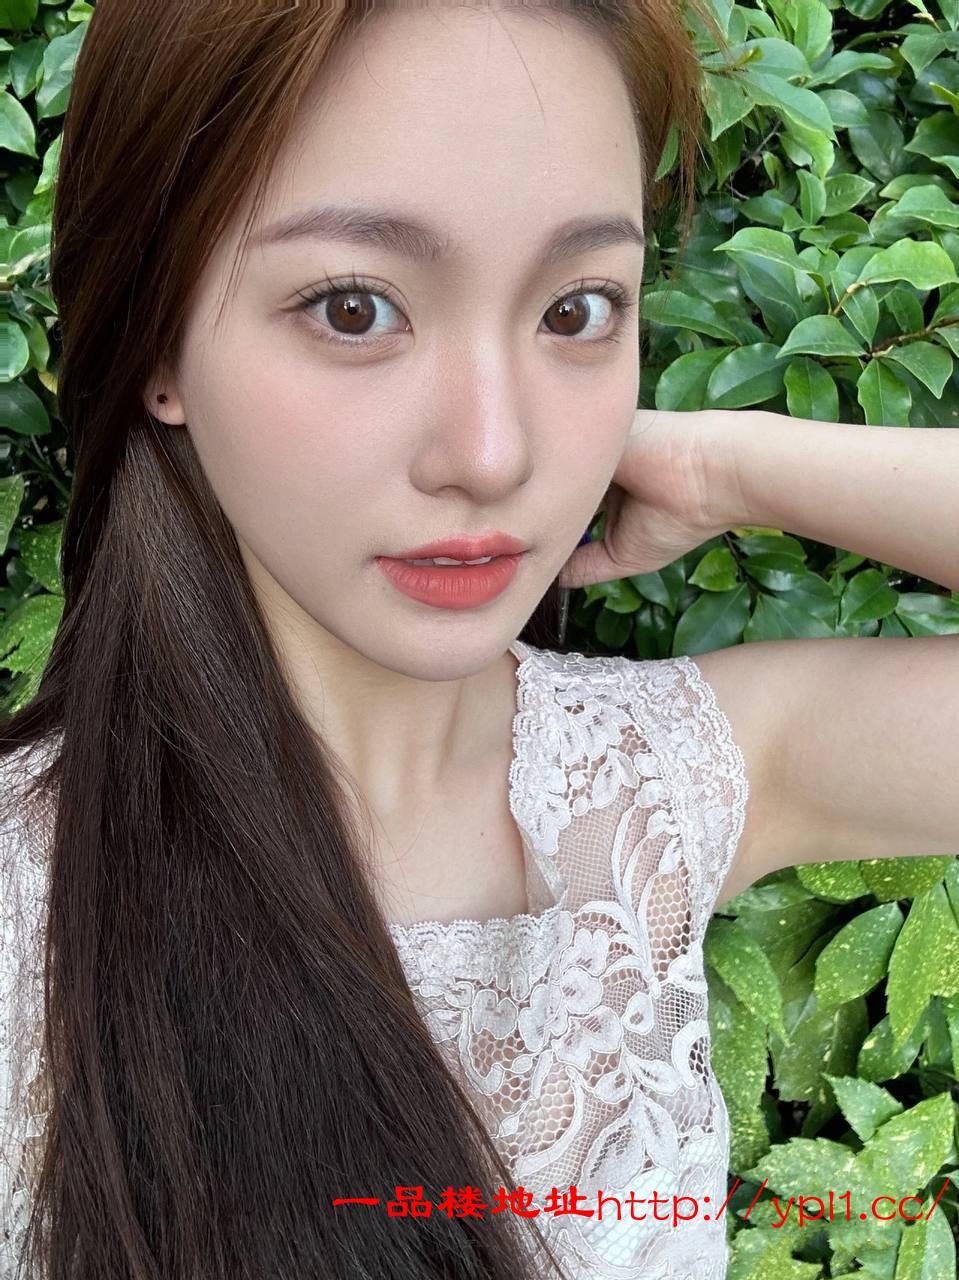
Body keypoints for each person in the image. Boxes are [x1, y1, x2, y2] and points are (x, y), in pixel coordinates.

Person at [2, 3, 957, 1279]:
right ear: (158, 341)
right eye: (354, 308)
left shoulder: (656, 795)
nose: (494, 453)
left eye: (575, 309)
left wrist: (725, 463)